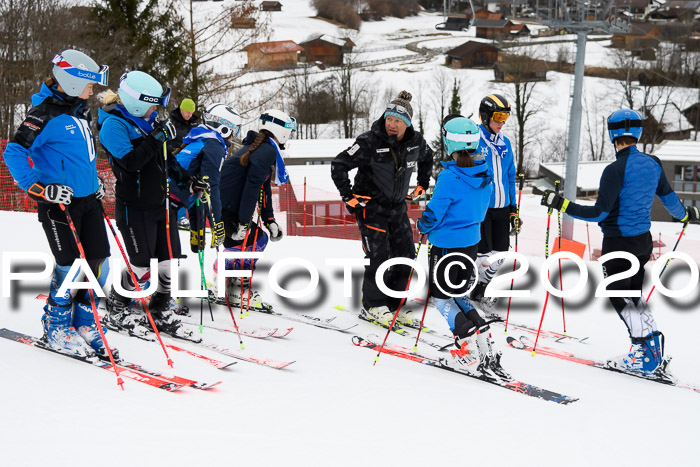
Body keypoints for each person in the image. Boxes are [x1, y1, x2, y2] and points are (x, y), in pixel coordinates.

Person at [541, 109, 700, 376]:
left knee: (617, 297)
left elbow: (599, 213)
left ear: (612, 134)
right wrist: (687, 215)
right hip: (642, 243)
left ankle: (642, 353)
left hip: (618, 243)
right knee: (633, 297)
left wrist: (562, 204)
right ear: (637, 133)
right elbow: (671, 201)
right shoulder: (653, 163)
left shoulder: (615, 169)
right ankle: (651, 347)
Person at [4, 49, 113, 358]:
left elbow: (79, 157)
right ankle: (56, 326)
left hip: (88, 201)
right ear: (74, 82)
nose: (94, 90)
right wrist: (40, 189)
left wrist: (96, 183)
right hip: (59, 205)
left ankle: (85, 323)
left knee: (99, 265)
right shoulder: (44, 114)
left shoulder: (80, 109)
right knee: (69, 266)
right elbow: (13, 152)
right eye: (90, 84)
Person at [97, 70, 207, 341]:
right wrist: (156, 137)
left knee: (169, 261)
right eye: (152, 104)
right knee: (141, 266)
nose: (157, 110)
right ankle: (118, 307)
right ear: (136, 102)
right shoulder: (113, 125)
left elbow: (166, 161)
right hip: (134, 207)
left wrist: (189, 182)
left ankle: (159, 310)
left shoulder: (148, 123)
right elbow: (131, 163)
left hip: (160, 204)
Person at [331, 90, 433, 328]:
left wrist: (422, 184)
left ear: (407, 123)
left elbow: (428, 158)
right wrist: (348, 196)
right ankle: (373, 306)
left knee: (406, 253)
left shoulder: (416, 142)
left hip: (397, 207)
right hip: (370, 207)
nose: (392, 124)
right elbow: (338, 165)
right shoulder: (368, 141)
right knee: (379, 256)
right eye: (389, 119)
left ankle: (395, 305)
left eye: (398, 120)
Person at [417, 117, 497, 373]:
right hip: (470, 244)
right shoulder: (485, 172)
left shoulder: (449, 177)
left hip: (445, 247)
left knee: (441, 298)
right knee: (458, 294)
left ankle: (465, 345)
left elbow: (434, 213)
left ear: (448, 141)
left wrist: (422, 226)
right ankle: (482, 335)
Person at [214, 109, 292, 309]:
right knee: (252, 241)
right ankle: (233, 286)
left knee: (254, 240)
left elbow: (262, 188)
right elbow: (251, 188)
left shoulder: (262, 148)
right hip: (227, 209)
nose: (290, 136)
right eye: (289, 130)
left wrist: (269, 220)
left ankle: (231, 283)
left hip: (227, 207)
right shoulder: (266, 150)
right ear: (280, 130)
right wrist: (243, 221)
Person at [469, 93, 520, 313]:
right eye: (498, 116)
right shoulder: (475, 140)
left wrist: (513, 208)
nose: (501, 122)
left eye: (505, 117)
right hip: (482, 208)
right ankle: (466, 289)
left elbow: (510, 176)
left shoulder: (505, 143)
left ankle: (480, 289)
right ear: (485, 115)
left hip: (502, 207)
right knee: (482, 255)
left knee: (500, 255)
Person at [170, 103, 241, 255]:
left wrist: (197, 228)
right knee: (165, 260)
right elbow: (212, 186)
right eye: (235, 130)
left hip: (168, 200)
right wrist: (217, 223)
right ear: (224, 127)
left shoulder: (202, 136)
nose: (234, 136)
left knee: (167, 260)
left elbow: (199, 189)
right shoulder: (215, 146)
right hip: (164, 202)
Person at [168, 98, 200, 230]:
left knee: (190, 185)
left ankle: (186, 215)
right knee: (177, 186)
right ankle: (178, 216)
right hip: (175, 157)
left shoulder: (194, 125)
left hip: (189, 158)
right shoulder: (173, 122)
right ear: (181, 109)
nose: (189, 115)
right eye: (187, 112)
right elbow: (167, 140)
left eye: (191, 112)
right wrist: (174, 150)